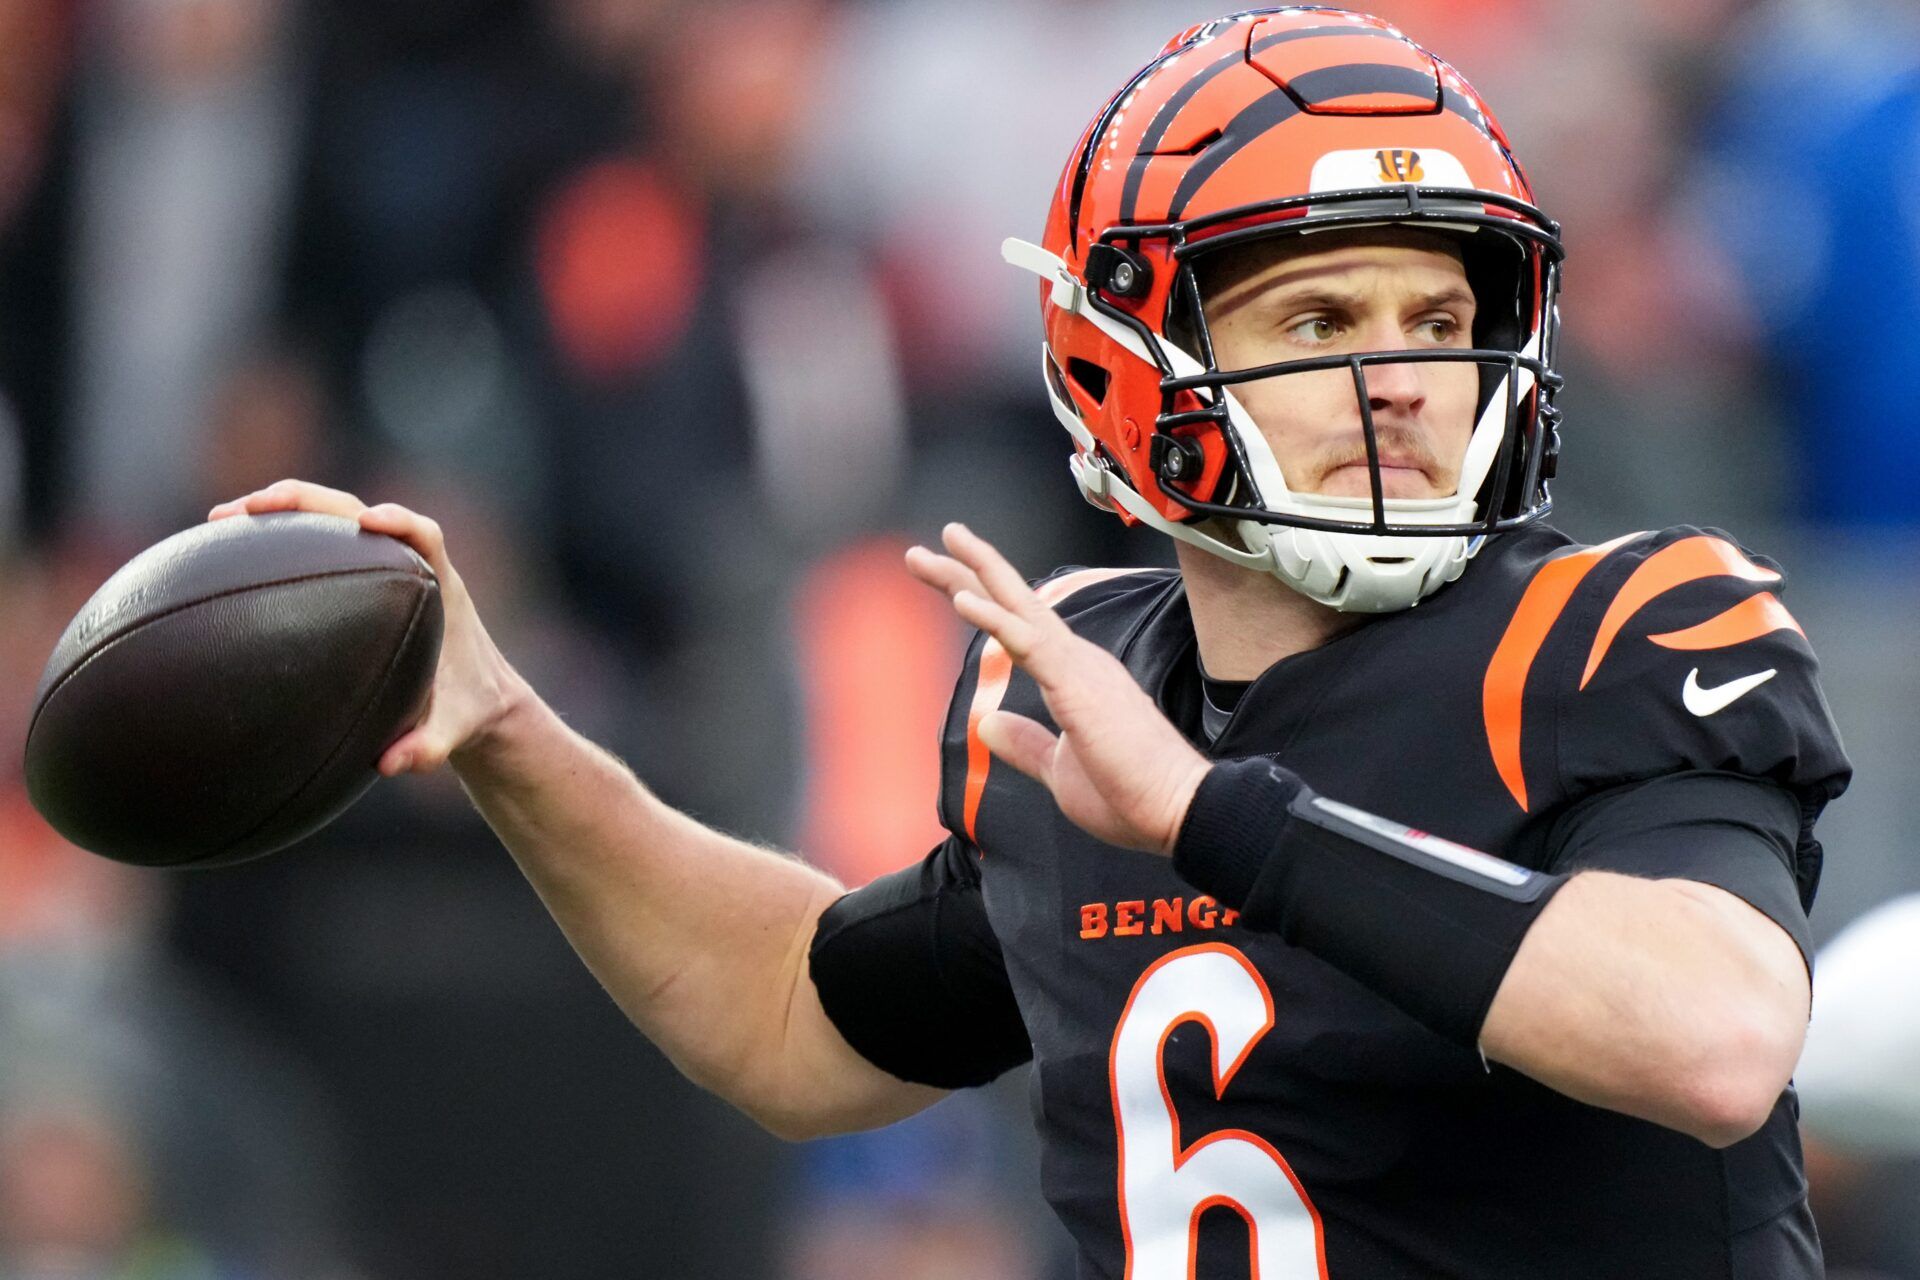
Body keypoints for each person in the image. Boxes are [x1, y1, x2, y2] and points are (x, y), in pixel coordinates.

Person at [208, 9, 1850, 1276]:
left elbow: (1713, 1038)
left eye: (1442, 318)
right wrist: (513, 737)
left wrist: (1223, 819)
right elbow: (796, 1017)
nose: (1406, 379)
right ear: (1127, 357)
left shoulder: (1615, 630)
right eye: (1321, 321)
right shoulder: (1083, 682)